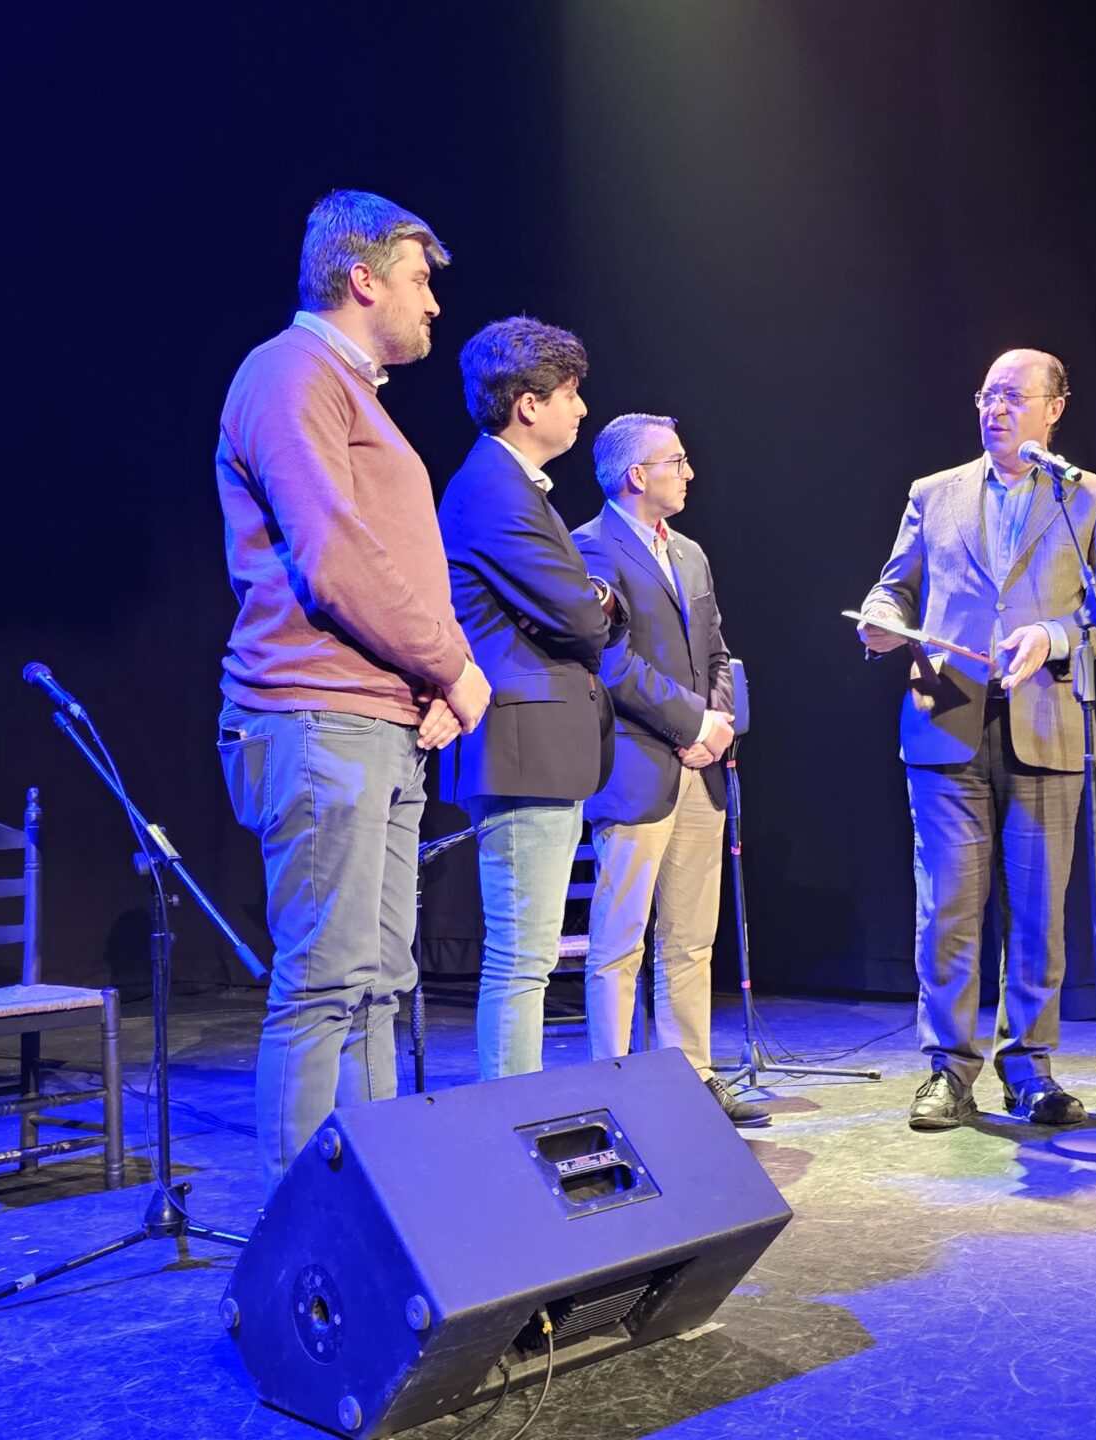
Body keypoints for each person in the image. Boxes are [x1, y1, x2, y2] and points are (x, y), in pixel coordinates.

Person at [213, 190, 491, 1198]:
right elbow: (335, 560)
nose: (434, 305)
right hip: (314, 713)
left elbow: (397, 564)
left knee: (381, 983)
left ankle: (378, 1207)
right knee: (327, 981)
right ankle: (304, 1232)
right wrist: (456, 668)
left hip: (375, 718)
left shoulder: (354, 393)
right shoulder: (289, 373)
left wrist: (438, 678)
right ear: (362, 277)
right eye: (421, 281)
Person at [855, 348, 1096, 1130]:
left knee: (1038, 913)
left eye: (1014, 396)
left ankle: (1031, 1070)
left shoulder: (1089, 498)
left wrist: (1053, 636)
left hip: (1046, 722)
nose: (995, 409)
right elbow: (895, 583)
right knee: (947, 906)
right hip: (945, 720)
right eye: (986, 395)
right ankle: (949, 1070)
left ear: (1056, 408)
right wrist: (882, 617)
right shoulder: (934, 493)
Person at [437, 317, 627, 1079]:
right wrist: (600, 599)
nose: (582, 411)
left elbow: (580, 606)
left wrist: (594, 597)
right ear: (528, 403)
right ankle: (508, 1120)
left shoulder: (516, 488)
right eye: (572, 395)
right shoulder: (494, 489)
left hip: (539, 748)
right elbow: (583, 615)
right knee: (522, 959)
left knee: (531, 956)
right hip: (519, 750)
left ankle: (514, 1113)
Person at [572, 414, 768, 1127]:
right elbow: (611, 660)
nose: (689, 473)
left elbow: (716, 652)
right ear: (637, 475)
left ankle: (694, 1076)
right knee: (620, 940)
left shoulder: (689, 553)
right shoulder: (590, 548)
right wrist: (690, 725)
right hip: (636, 767)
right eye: (676, 461)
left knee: (690, 937)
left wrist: (714, 729)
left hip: (701, 768)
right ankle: (612, 1085)